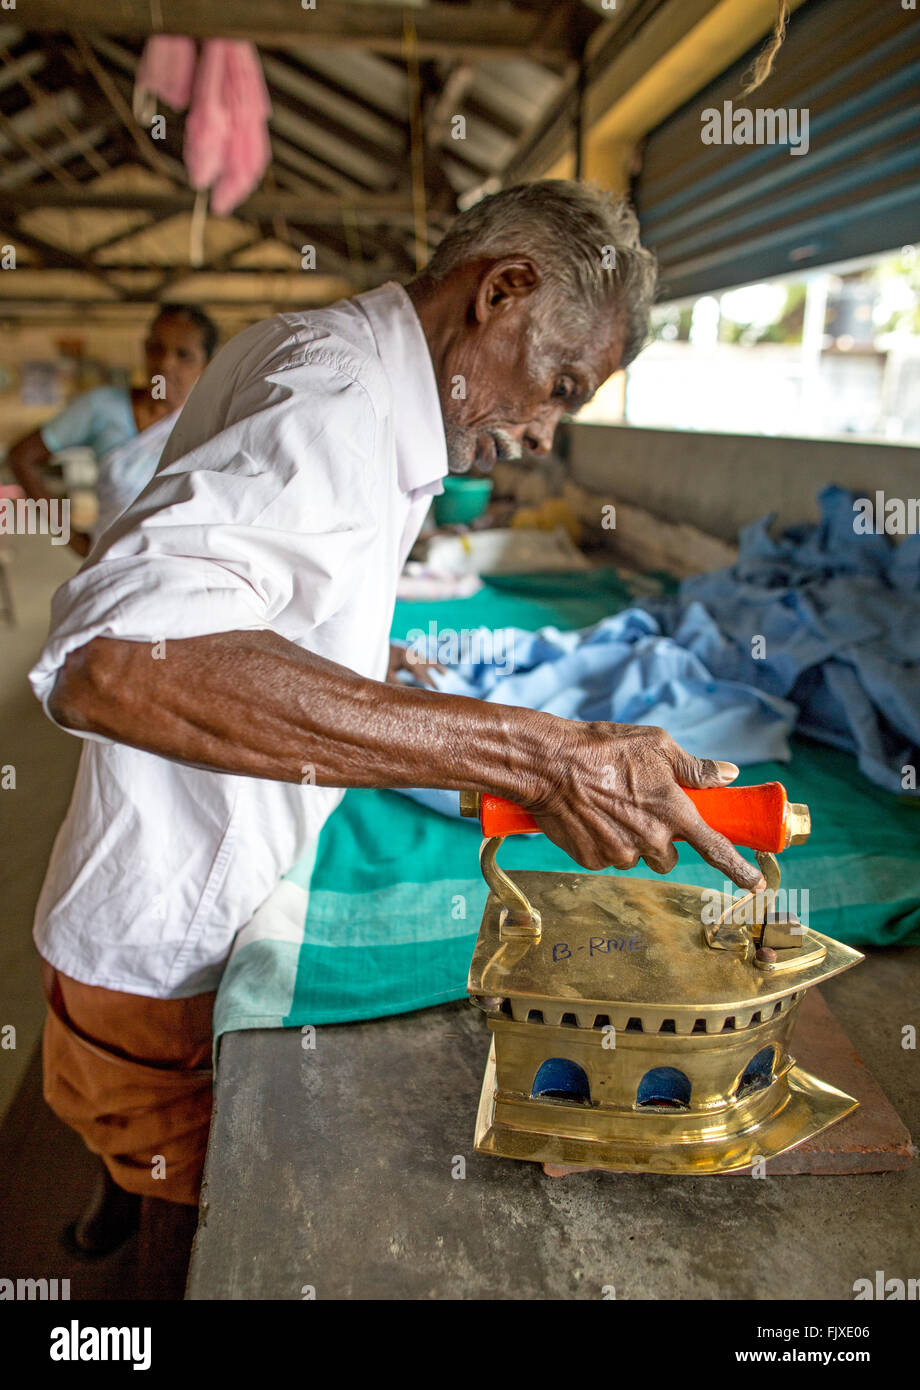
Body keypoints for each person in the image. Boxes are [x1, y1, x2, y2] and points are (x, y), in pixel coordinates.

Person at [28, 181, 766, 1267]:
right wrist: (531, 752)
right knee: (177, 1205)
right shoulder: (339, 397)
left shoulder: (337, 363)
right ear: (500, 291)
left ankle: (99, 1226)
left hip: (147, 890)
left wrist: (372, 662)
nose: (539, 432)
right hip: (163, 922)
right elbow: (112, 663)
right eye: (556, 386)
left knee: (129, 1139)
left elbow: (248, 582)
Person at [7, 304, 217, 556]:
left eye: (183, 355)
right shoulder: (102, 407)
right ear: (144, 349)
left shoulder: (212, 424)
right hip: (110, 567)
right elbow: (22, 457)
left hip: (180, 573)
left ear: (207, 365)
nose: (166, 363)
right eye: (156, 349)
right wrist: (71, 537)